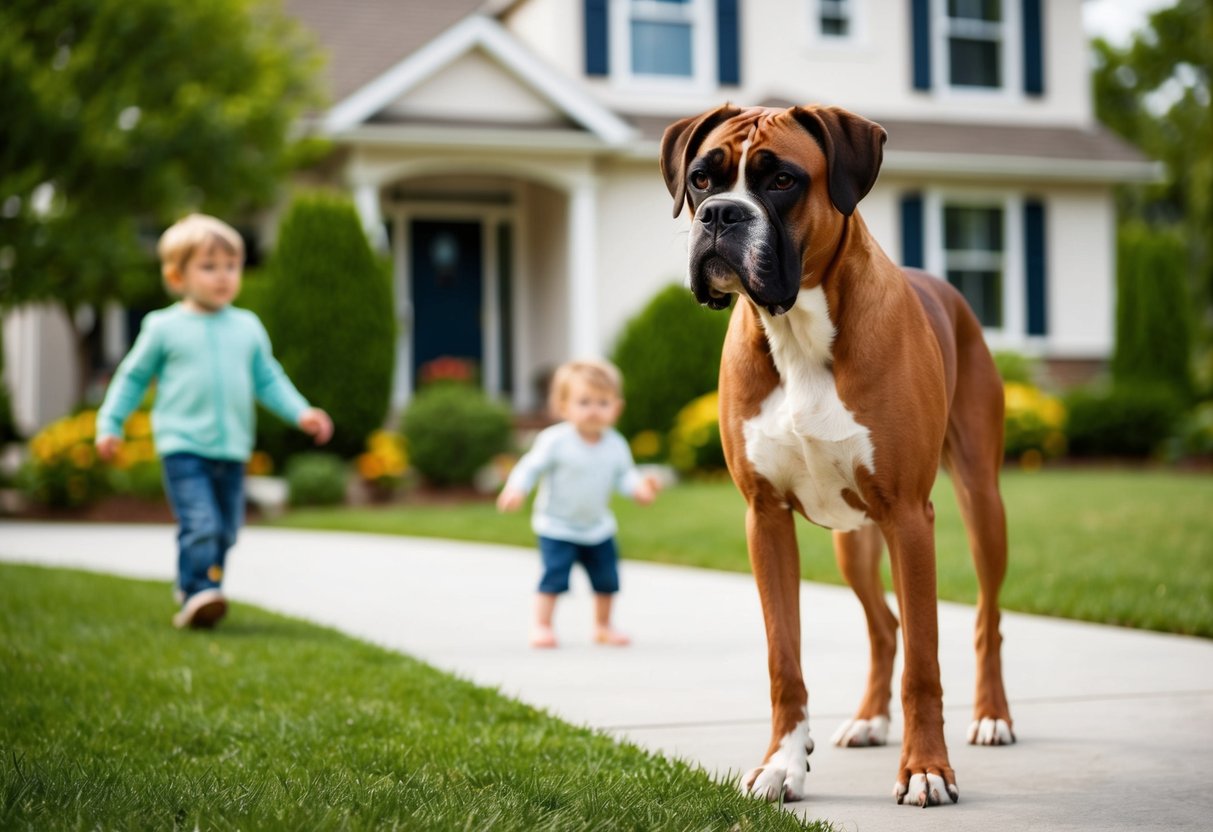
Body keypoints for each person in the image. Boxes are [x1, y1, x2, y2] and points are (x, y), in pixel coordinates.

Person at [95, 214, 332, 629]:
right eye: (209, 267)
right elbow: (132, 378)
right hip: (183, 445)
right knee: (201, 523)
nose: (223, 276)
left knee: (226, 530)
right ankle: (197, 588)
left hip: (232, 447)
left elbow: (268, 378)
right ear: (176, 275)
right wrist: (110, 424)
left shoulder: (246, 327)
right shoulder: (163, 327)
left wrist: (301, 411)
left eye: (231, 266)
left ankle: (204, 590)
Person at [497, 359, 659, 648]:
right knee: (554, 577)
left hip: (597, 527)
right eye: (584, 402)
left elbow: (624, 476)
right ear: (563, 406)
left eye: (603, 402)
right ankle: (542, 626)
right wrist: (517, 488)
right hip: (557, 526)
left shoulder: (615, 444)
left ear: (616, 408)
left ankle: (603, 626)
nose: (594, 409)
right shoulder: (555, 441)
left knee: (607, 580)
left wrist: (640, 490)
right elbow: (530, 467)